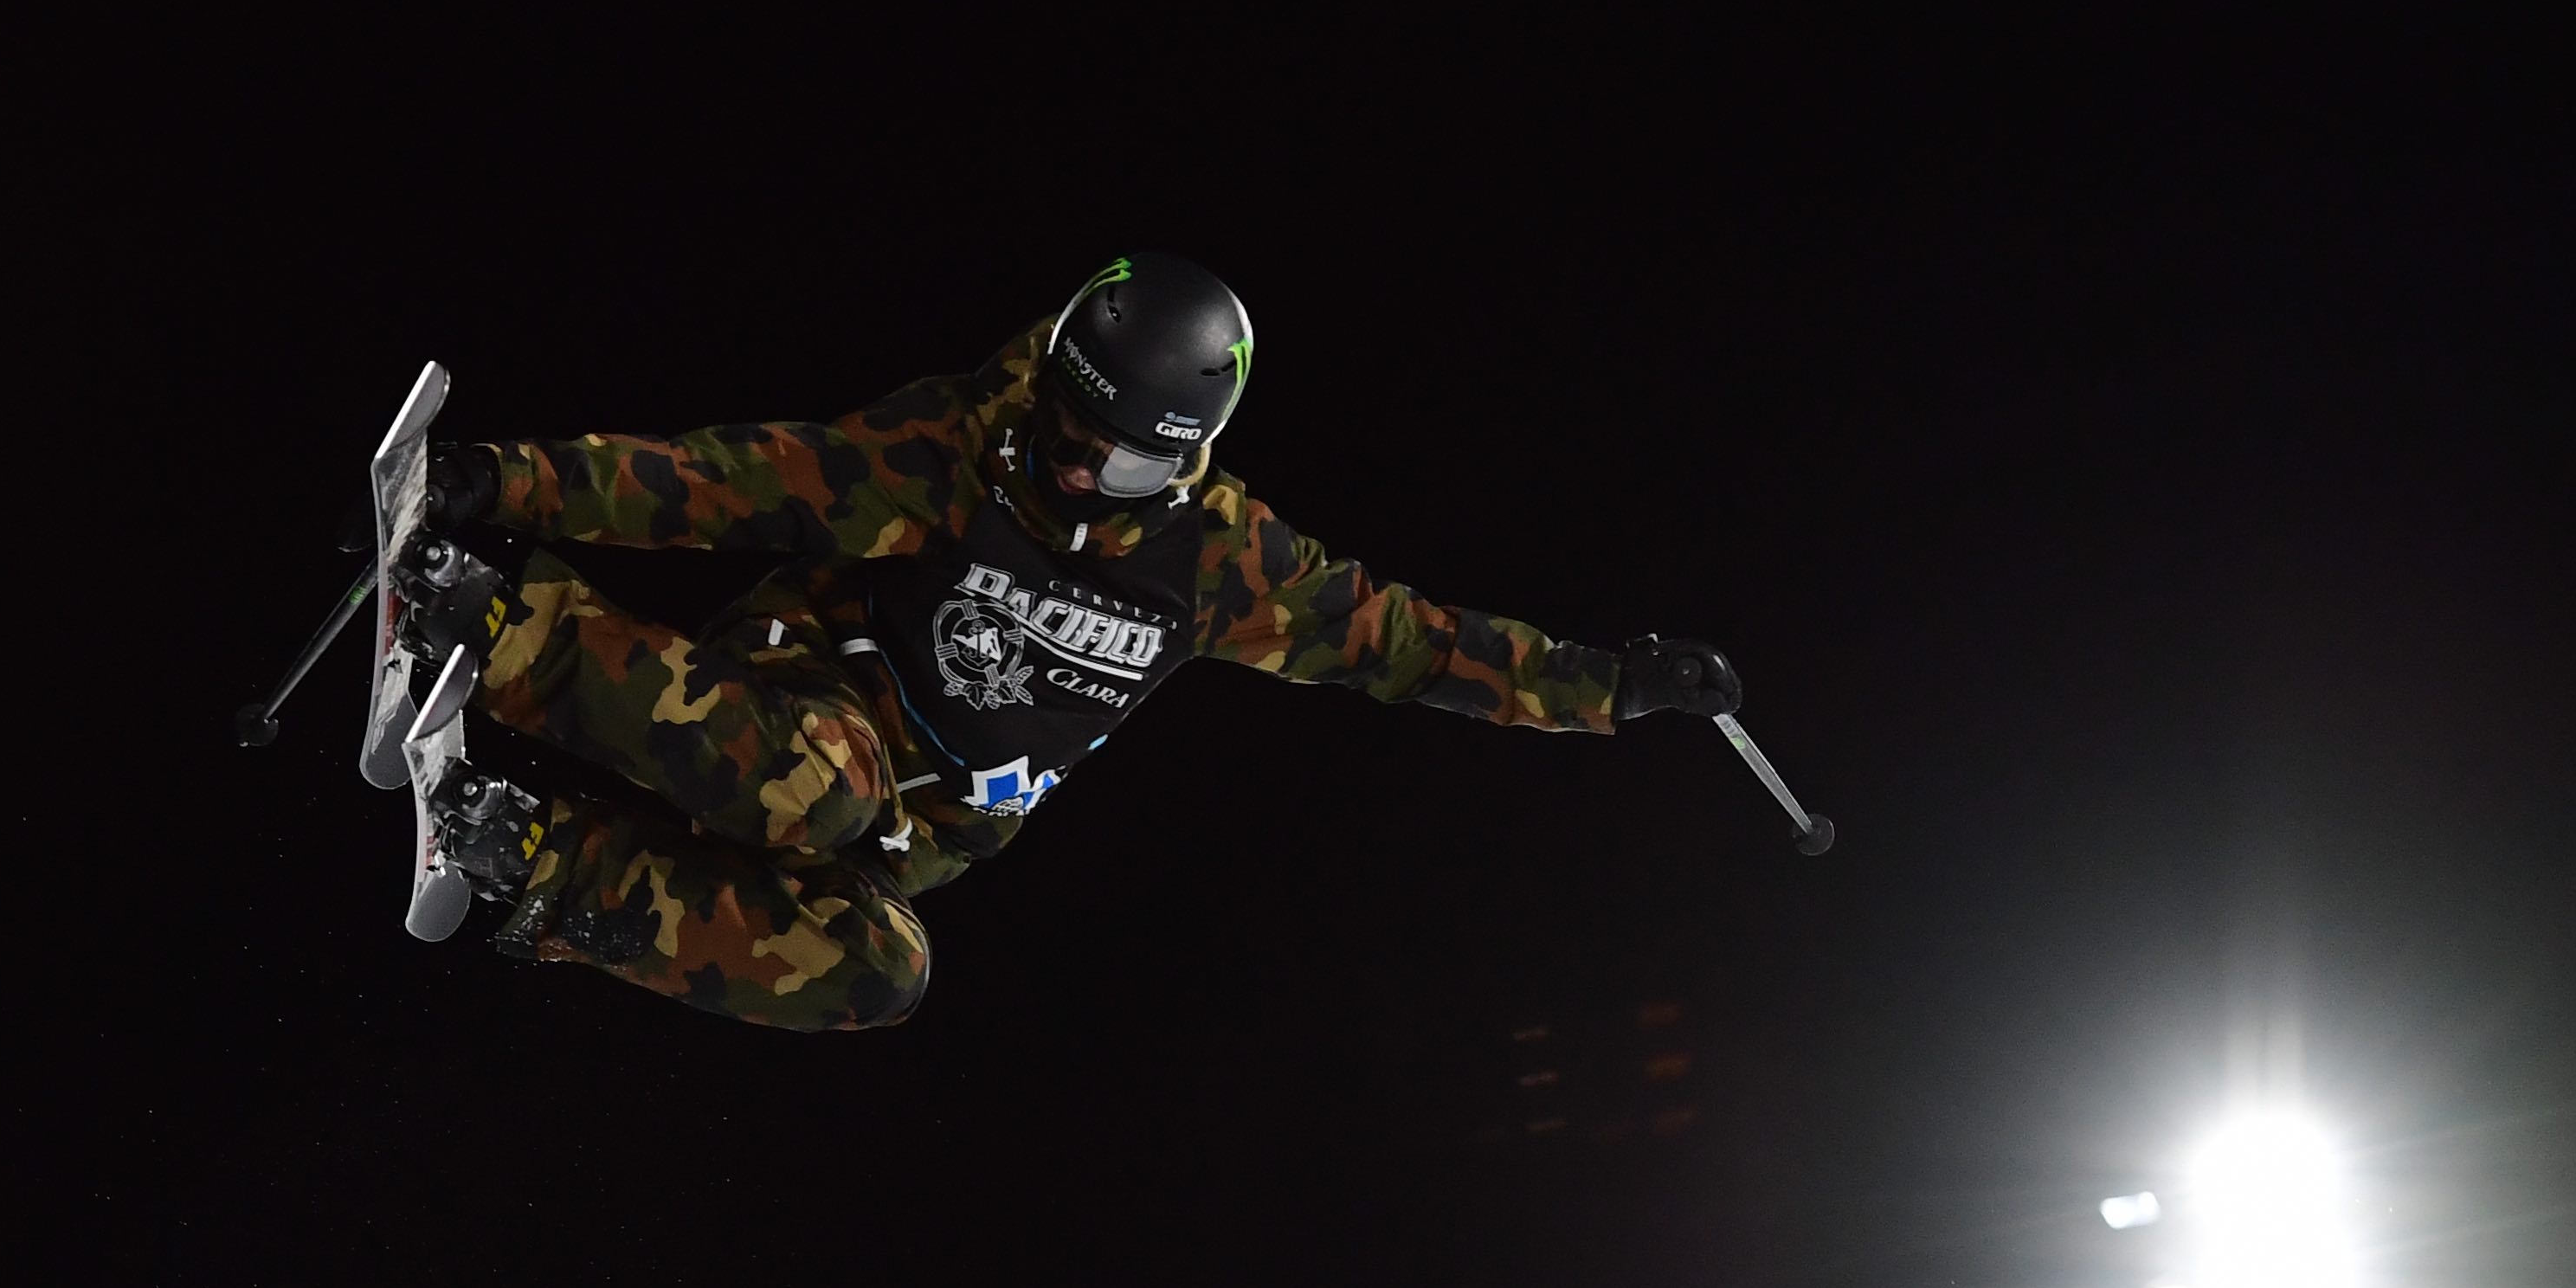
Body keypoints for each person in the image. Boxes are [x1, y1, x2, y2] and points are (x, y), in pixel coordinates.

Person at [383, 256, 1751, 1028]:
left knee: (878, 975)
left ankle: (529, 856)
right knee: (820, 784)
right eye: (1070, 439)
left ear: (1193, 459)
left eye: (1130, 470)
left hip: (902, 834)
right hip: (813, 706)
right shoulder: (958, 452)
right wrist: (499, 484)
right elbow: (731, 480)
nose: (1085, 481)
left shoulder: (1219, 563)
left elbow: (1404, 643)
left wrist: (1611, 688)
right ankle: (494, 628)